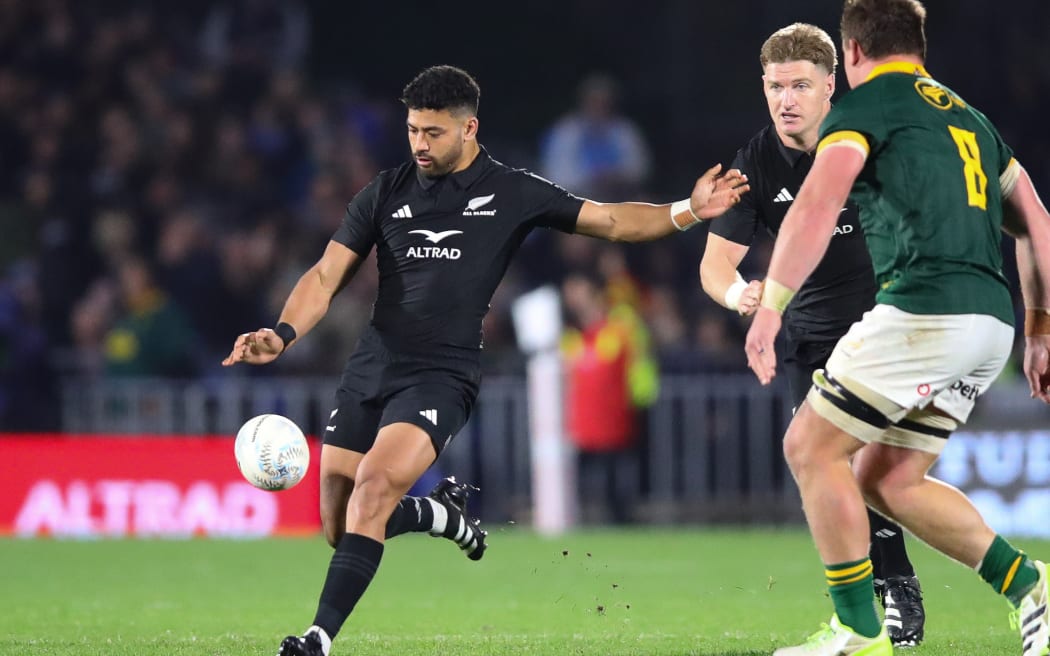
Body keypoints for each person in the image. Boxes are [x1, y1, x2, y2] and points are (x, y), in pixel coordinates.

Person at [222, 65, 748, 656]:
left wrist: (689, 210)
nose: (420, 143)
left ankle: (317, 638)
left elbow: (610, 220)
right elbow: (324, 275)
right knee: (338, 526)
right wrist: (283, 332)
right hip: (371, 365)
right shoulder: (384, 191)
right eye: (413, 130)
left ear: (469, 128)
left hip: (441, 375)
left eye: (434, 132)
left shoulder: (512, 191)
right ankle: (442, 516)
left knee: (372, 490)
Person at [743, 1, 1050, 654]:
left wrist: (771, 305)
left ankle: (859, 630)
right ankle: (1033, 587)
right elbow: (1037, 226)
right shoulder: (970, 119)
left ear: (851, 53)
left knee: (809, 448)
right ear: (919, 45)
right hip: (991, 323)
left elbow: (818, 205)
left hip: (924, 309)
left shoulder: (863, 109)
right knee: (885, 480)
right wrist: (1041, 328)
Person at [698, 22, 925, 646]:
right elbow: (714, 264)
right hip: (810, 340)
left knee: (867, 472)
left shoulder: (873, 136)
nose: (786, 99)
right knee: (833, 469)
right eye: (775, 86)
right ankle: (881, 599)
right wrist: (738, 292)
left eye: (800, 85)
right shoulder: (755, 164)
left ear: (832, 86)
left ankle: (894, 590)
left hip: (888, 326)